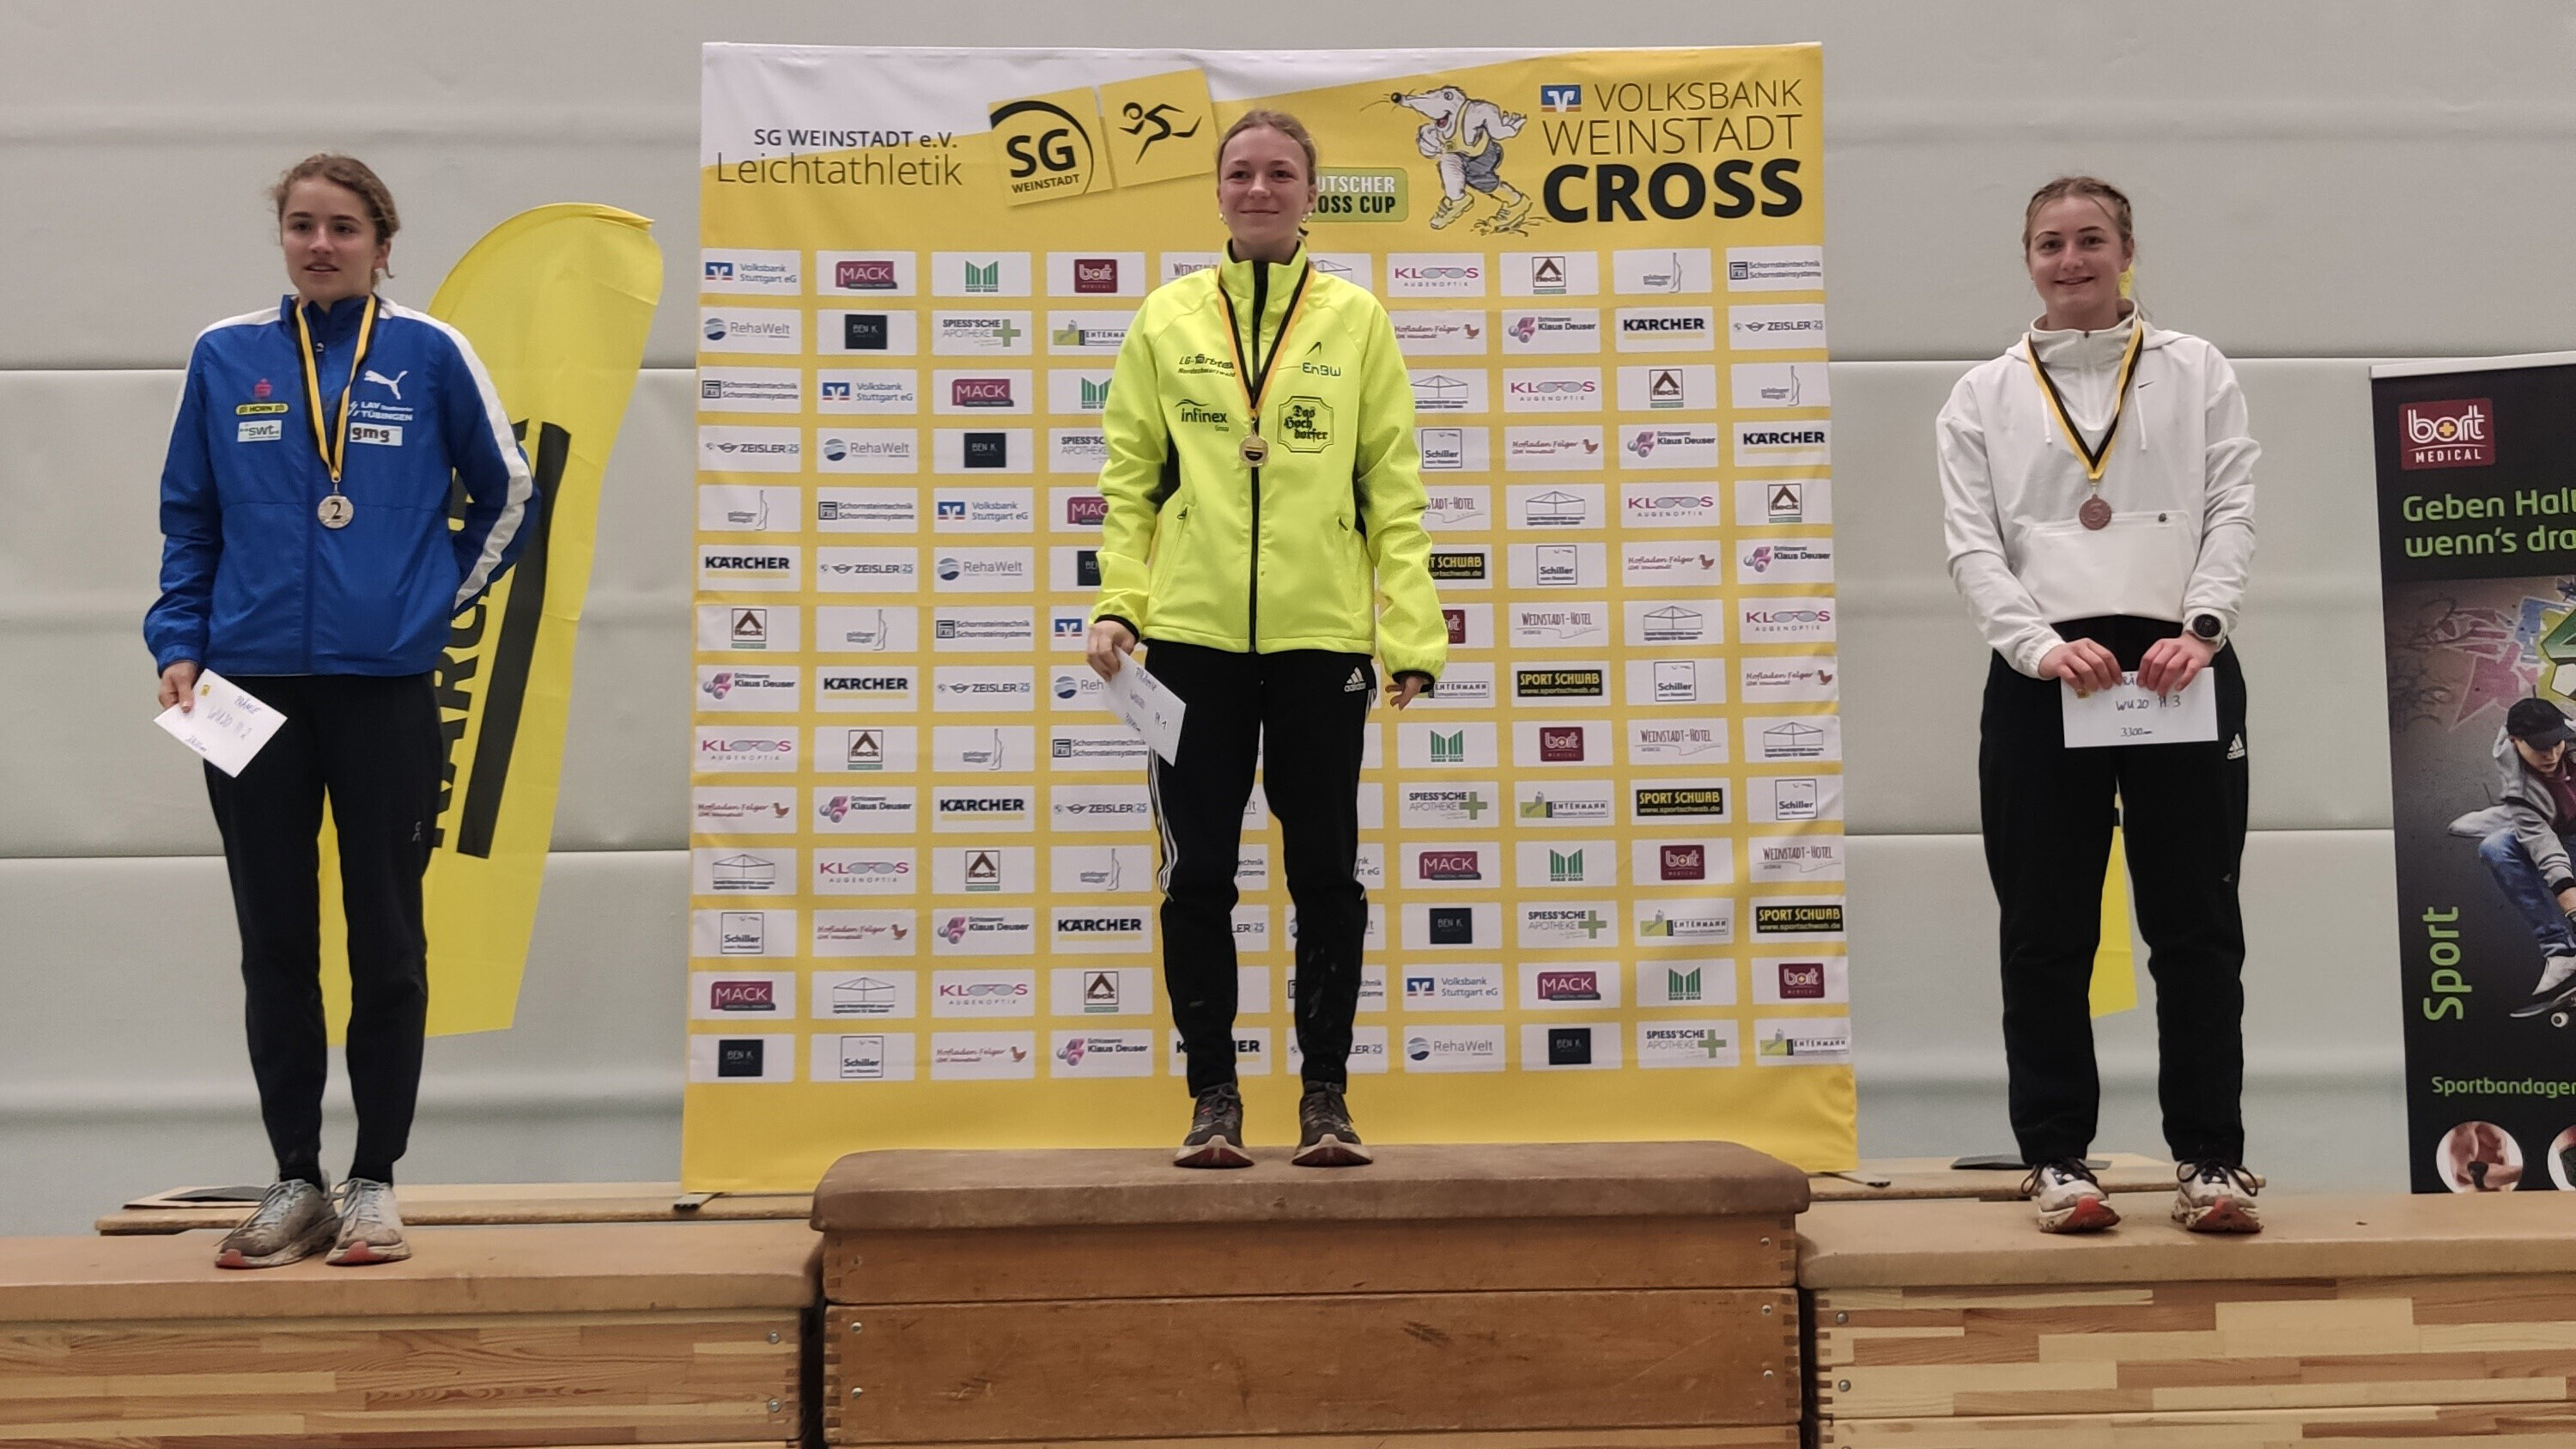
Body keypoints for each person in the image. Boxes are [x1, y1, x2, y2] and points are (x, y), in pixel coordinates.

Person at [145, 155, 536, 1266]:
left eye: (344, 227)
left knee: (388, 939)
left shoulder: (429, 354)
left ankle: (374, 1178)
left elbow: (509, 490)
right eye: (303, 225)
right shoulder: (226, 356)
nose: (321, 244)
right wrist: (180, 642)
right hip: (247, 692)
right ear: (284, 236)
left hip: (384, 691)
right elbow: (190, 518)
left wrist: (425, 605)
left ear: (381, 243)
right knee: (274, 939)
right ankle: (294, 1177)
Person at [1087, 110, 1445, 1169]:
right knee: (1197, 874)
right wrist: (1121, 604)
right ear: (1217, 190)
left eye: (1280, 172)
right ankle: (1213, 1100)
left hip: (1319, 643)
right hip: (1190, 641)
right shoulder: (1165, 318)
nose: (1258, 188)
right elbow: (1129, 482)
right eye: (1240, 171)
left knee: (1326, 875)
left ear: (1310, 193)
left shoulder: (1356, 319)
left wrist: (1410, 636)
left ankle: (1325, 1099)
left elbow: (1392, 489)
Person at [1937, 176, 2263, 1233]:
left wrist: (2202, 627)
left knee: (2197, 927)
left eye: (2090, 239)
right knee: (2046, 930)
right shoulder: (1981, 393)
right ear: (2028, 259)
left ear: (2127, 251)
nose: (2070, 260)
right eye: (2050, 243)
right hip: (2047, 679)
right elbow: (1972, 545)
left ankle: (2211, 1159)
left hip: (2179, 670)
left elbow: (2232, 506)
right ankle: (2056, 1160)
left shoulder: (2196, 368)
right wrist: (2038, 646)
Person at [2454, 697, 2576, 1011]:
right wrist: (2569, 898)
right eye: (2540, 748)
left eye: (2556, 744)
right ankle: (2561, 953)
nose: (2551, 755)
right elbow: (2543, 845)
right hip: (2558, 834)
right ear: (2514, 741)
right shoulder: (2519, 787)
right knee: (2495, 847)